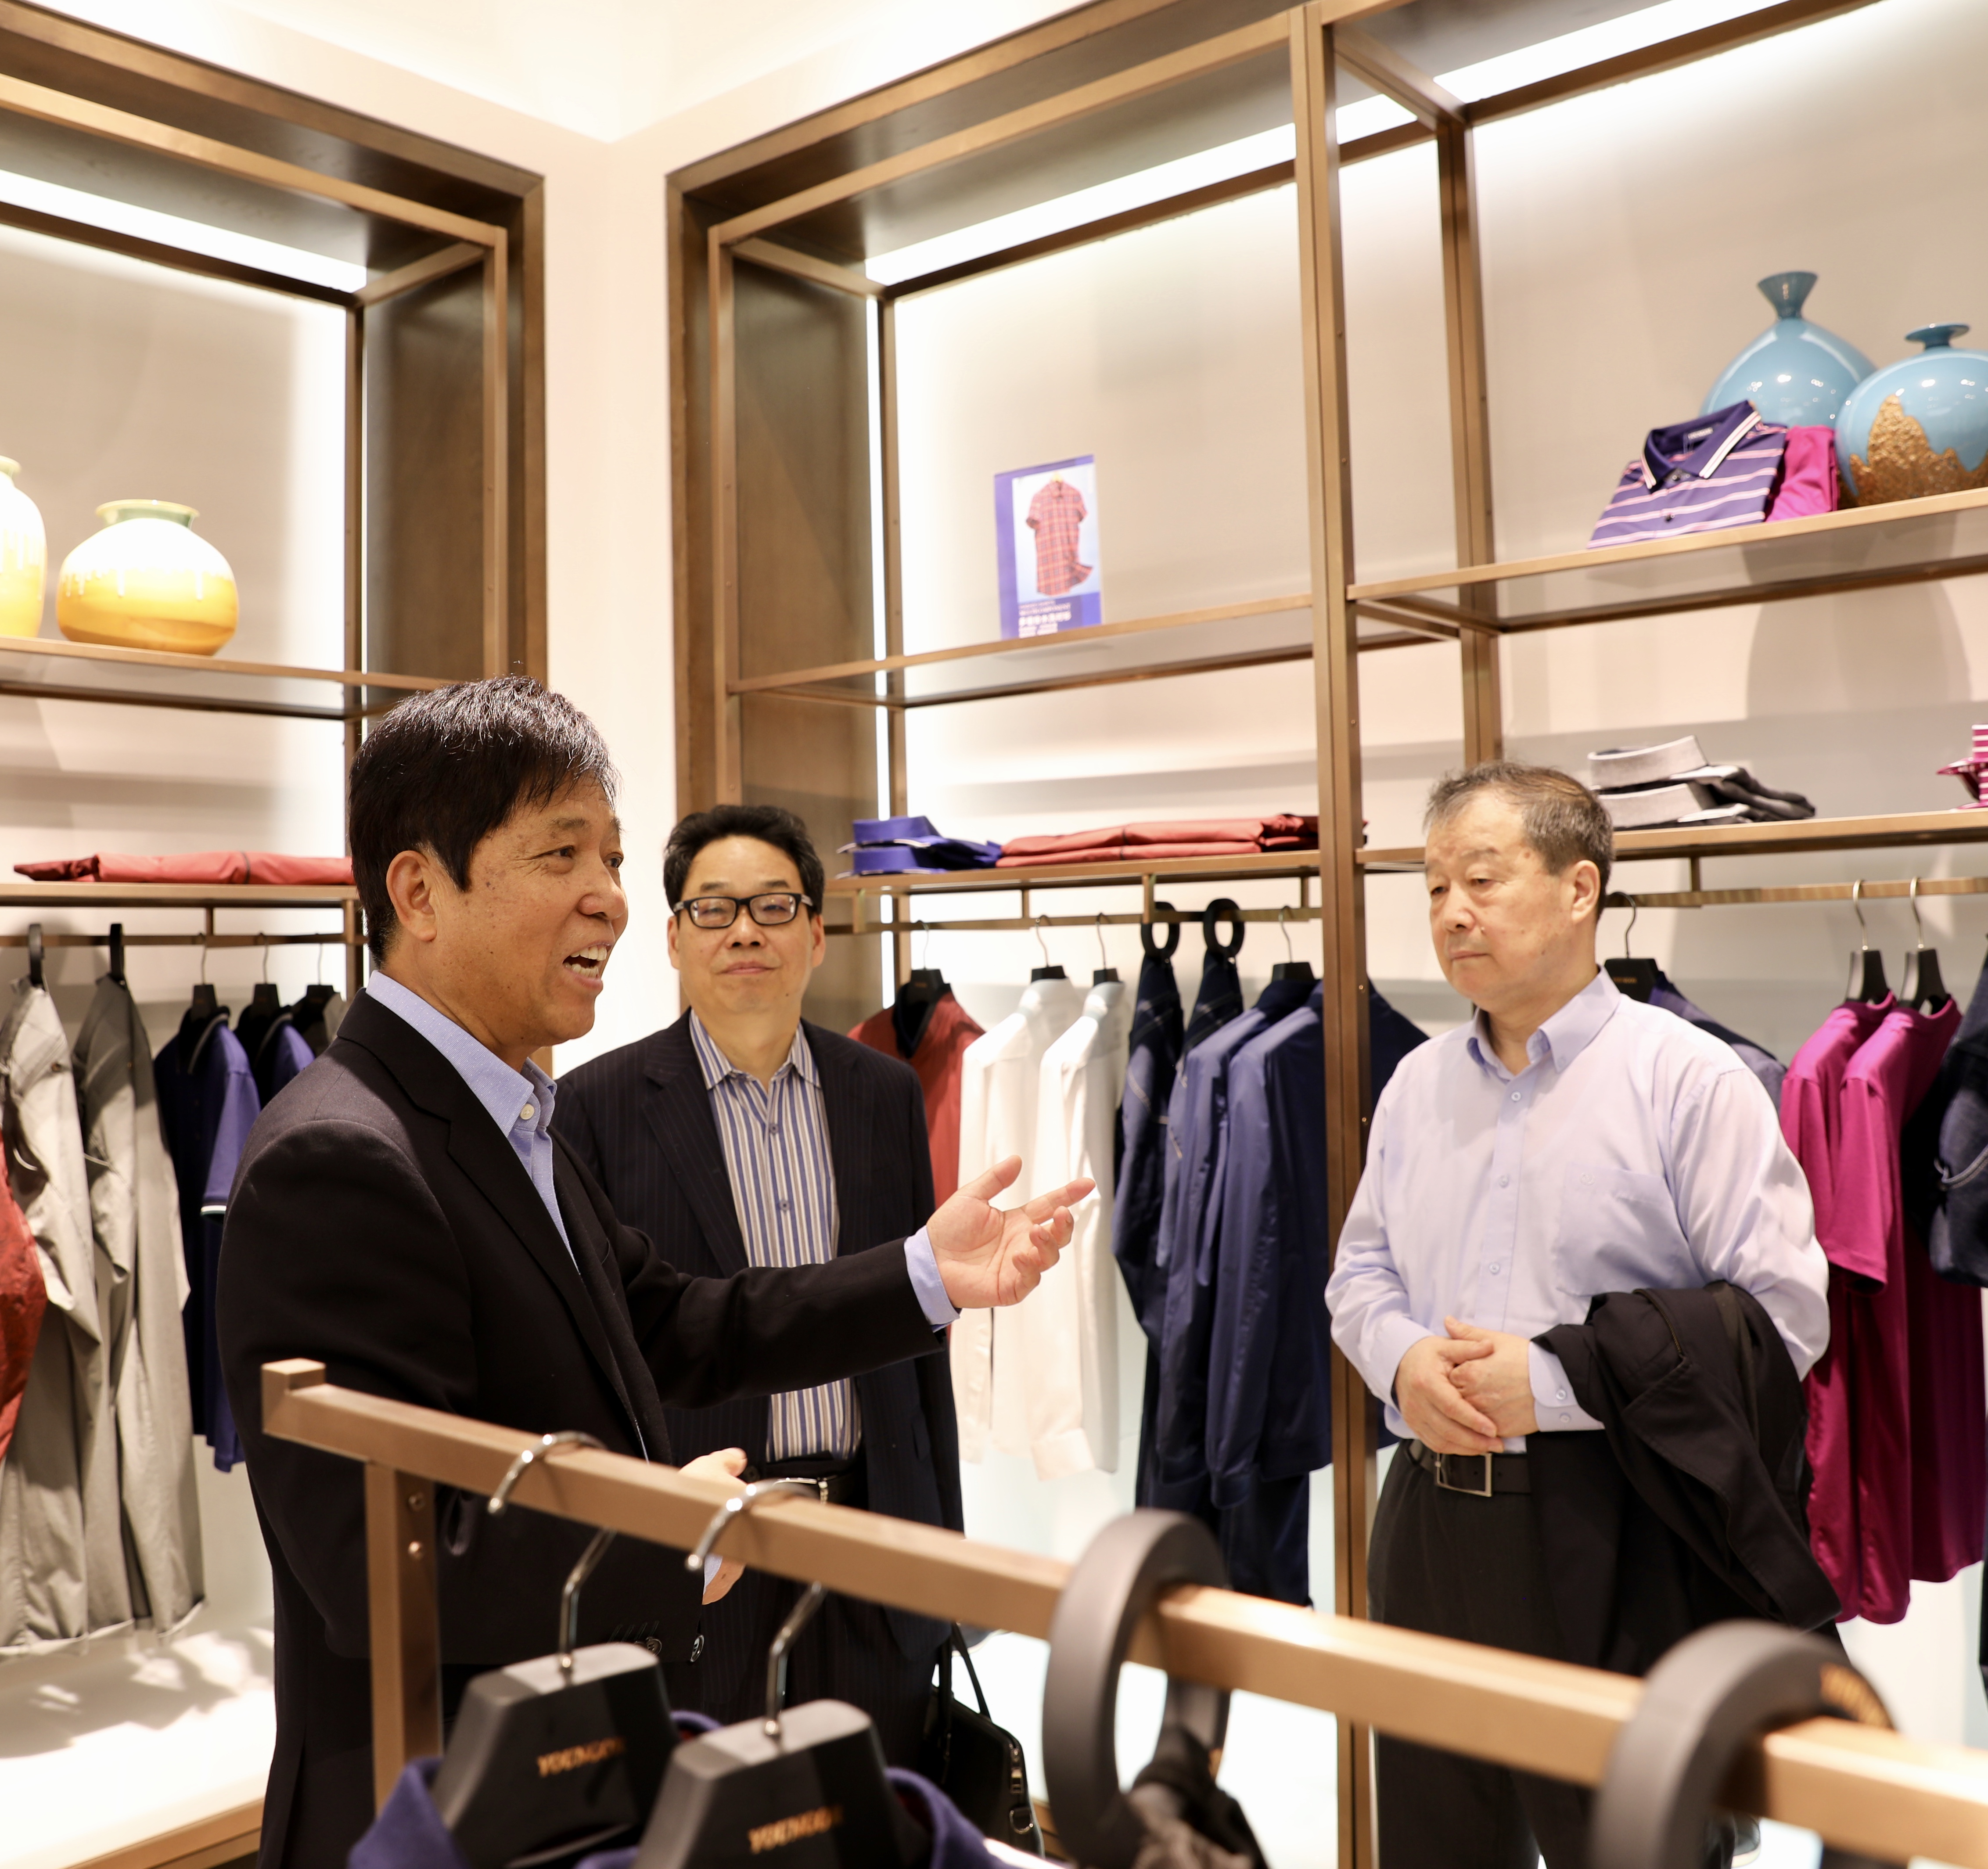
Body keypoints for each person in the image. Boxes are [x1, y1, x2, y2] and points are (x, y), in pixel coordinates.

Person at [216, 679, 1090, 1869]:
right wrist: (671, 1535)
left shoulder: (513, 1118)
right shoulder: (341, 1154)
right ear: (418, 892)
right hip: (443, 1808)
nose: (612, 899)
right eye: (561, 854)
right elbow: (384, 1566)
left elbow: (676, 1321)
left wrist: (921, 1275)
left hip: (568, 1782)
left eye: (614, 859)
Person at [1325, 761, 1829, 1869]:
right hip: (1425, 1515)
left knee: (1632, 1844)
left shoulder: (1690, 1078)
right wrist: (1402, 1359)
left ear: (1579, 889)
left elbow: (1785, 1316)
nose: (1452, 911)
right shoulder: (1416, 1084)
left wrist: (1556, 1382)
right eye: (1435, 885)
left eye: (1483, 879)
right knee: (1432, 1843)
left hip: (1614, 1519)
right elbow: (1358, 1271)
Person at [555, 803, 958, 1760]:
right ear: (673, 939)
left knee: (877, 1805)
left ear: (816, 934)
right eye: (714, 908)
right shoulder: (594, 1107)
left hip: (872, 1535)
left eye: (774, 906)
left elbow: (918, 1343)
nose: (745, 931)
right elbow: (599, 1365)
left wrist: (944, 1554)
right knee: (714, 1810)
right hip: (707, 1548)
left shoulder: (884, 1091)